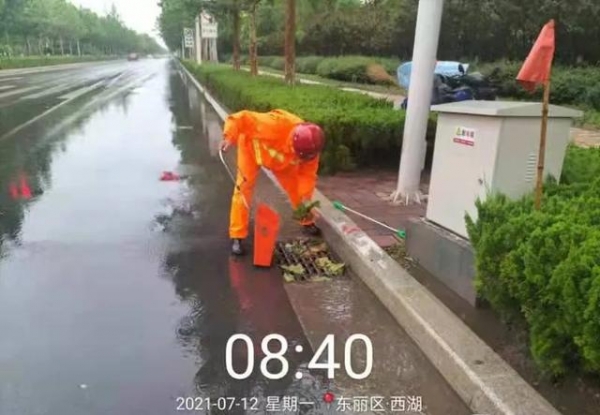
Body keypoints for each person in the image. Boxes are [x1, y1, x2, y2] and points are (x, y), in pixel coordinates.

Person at [219, 109, 325, 256]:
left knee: (296, 191)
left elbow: (307, 177)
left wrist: (307, 201)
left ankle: (306, 221)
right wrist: (229, 136)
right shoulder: (273, 124)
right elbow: (241, 118)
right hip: (250, 151)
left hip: (281, 164)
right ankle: (237, 235)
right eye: (299, 156)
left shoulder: (311, 149)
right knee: (243, 189)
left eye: (304, 159)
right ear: (293, 142)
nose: (302, 161)